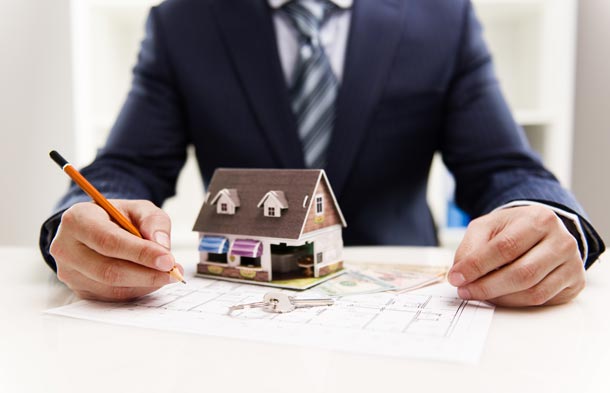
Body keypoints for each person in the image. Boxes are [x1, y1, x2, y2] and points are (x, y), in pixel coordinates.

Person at [41, 0, 604, 305]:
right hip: (244, 311)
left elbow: (503, 165)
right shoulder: (182, 21)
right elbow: (127, 165)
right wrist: (84, 221)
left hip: (410, 308)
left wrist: (550, 222)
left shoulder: (444, 16)